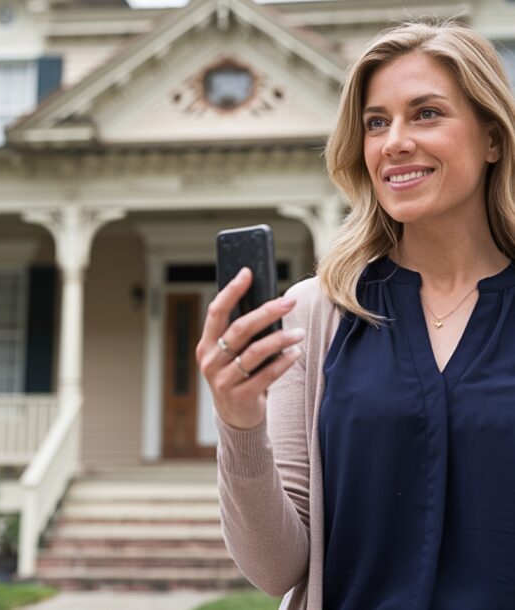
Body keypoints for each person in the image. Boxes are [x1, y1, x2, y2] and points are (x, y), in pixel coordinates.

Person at [196, 17, 515, 610]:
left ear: (492, 137)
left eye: (426, 113)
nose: (394, 141)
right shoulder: (317, 315)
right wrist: (239, 425)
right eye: (376, 122)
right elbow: (277, 567)